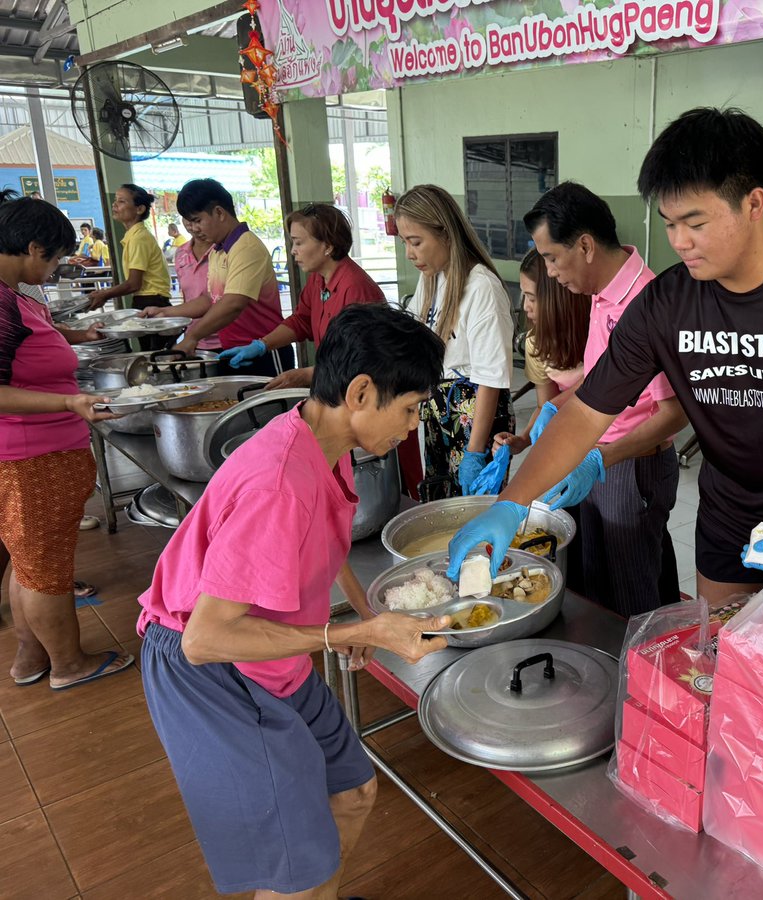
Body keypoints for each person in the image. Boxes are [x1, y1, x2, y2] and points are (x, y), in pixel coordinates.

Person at [448, 107, 763, 606]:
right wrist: (511, 503)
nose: (678, 242)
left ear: (753, 202)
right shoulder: (666, 304)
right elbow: (589, 411)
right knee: (718, 661)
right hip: (729, 516)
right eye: (669, 223)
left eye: (694, 222)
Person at [138, 303, 449, 897]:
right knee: (297, 865)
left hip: (270, 657)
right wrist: (354, 636)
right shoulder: (278, 483)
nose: (412, 426)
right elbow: (207, 640)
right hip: (211, 669)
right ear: (360, 392)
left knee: (352, 791)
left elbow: (326, 542)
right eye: (409, 409)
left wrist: (367, 614)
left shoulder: (322, 442)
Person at [515, 183, 686, 616]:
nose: (550, 272)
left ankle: (636, 678)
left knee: (629, 592)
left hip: (632, 464)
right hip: (600, 452)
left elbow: (672, 414)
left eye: (552, 258)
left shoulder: (645, 303)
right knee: (599, 578)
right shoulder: (601, 294)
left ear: (586, 245)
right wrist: (555, 406)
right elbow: (599, 381)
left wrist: (602, 459)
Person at [0, 195, 134, 689]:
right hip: (30, 455)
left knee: (29, 560)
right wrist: (68, 404)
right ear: (32, 247)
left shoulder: (13, 293)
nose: (55, 267)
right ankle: (68, 664)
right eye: (53, 258)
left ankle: (30, 658)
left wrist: (72, 338)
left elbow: (33, 341)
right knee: (46, 566)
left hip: (37, 452)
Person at [397, 184, 513, 496]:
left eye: (416, 242)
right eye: (405, 242)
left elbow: (490, 379)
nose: (409, 253)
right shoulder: (432, 279)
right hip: (440, 410)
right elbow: (411, 331)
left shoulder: (481, 289)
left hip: (478, 419)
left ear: (446, 233)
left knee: (473, 510)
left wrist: (475, 453)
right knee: (440, 504)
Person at [219, 202, 385, 390]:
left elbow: (361, 357)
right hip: (333, 382)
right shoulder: (317, 278)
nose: (293, 251)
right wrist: (261, 346)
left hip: (359, 390)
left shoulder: (355, 287)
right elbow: (301, 321)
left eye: (298, 242)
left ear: (328, 246)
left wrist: (307, 374)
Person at [145, 178, 293, 378]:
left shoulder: (245, 247)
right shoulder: (218, 250)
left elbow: (233, 303)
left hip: (264, 349)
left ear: (219, 213)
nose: (193, 229)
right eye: (189, 222)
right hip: (233, 350)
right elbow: (210, 299)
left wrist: (192, 337)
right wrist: (166, 311)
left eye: (197, 220)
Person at [491, 248, 589, 456]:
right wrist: (523, 439)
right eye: (524, 297)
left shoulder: (598, 331)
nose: (526, 307)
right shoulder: (536, 343)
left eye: (532, 298)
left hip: (610, 440)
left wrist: (553, 406)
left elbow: (599, 380)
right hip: (571, 440)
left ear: (559, 296)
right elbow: (544, 406)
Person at [85, 184, 171, 312]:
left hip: (152, 301)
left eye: (121, 201)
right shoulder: (134, 236)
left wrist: (105, 294)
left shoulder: (139, 238)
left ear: (140, 209)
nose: (114, 205)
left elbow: (133, 284)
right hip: (147, 300)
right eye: (115, 200)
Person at [173, 217, 220, 352]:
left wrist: (165, 312)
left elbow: (212, 300)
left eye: (197, 219)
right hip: (196, 342)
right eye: (186, 217)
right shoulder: (181, 253)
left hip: (229, 339)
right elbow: (188, 297)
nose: (192, 225)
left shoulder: (224, 250)